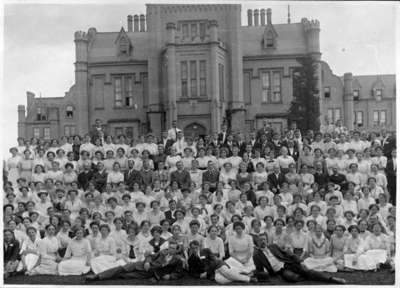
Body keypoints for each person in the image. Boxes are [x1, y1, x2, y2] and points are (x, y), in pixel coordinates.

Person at [253, 233, 346, 284]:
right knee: (291, 278)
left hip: (289, 264)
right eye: (260, 240)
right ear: (257, 241)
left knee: (309, 271)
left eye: (264, 239)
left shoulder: (273, 246)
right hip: (280, 271)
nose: (263, 241)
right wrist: (260, 275)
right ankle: (307, 276)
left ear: (266, 240)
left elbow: (288, 254)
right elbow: (259, 269)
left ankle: (332, 279)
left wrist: (299, 261)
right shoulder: (257, 255)